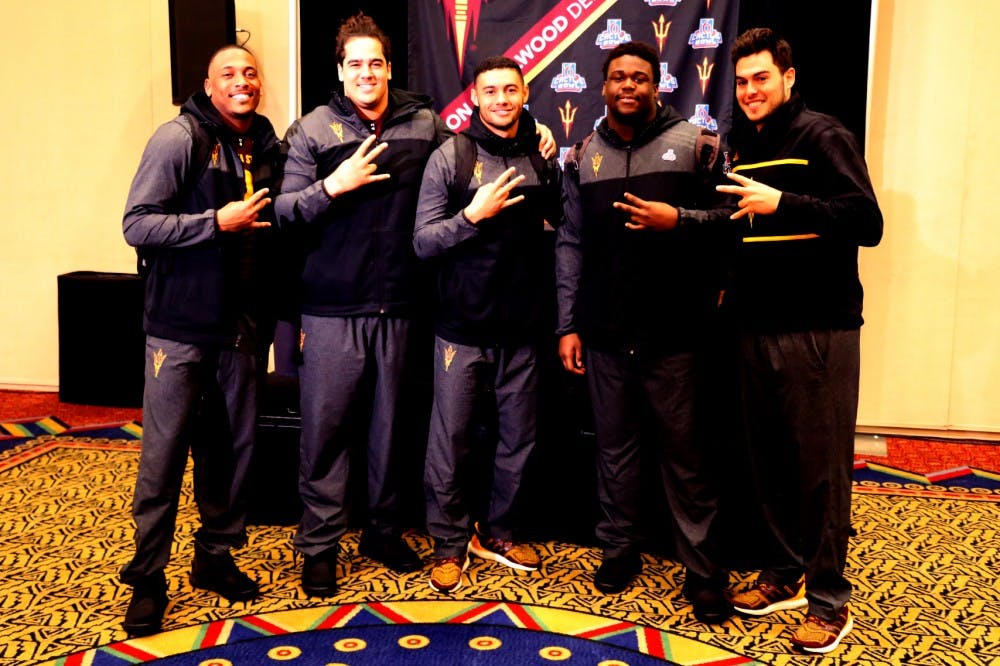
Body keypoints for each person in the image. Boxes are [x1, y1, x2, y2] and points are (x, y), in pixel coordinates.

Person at [274, 14, 555, 597]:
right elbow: (284, 212)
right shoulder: (313, 130)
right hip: (333, 306)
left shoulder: (423, 122)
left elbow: (481, 142)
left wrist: (537, 136)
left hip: (405, 306)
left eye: (375, 62)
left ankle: (381, 531)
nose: (366, 72)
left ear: (389, 67)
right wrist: (333, 185)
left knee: (391, 431)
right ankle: (320, 545)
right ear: (340, 71)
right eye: (355, 63)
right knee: (325, 433)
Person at [716, 28, 883, 654]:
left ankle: (828, 600)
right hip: (754, 329)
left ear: (788, 77)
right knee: (770, 467)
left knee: (820, 473)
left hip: (819, 330)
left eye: (761, 78)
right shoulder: (744, 144)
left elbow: (866, 222)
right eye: (741, 81)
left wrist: (782, 202)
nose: (751, 90)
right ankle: (785, 575)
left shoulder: (823, 135)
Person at [555, 41, 733, 623]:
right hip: (605, 334)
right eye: (617, 78)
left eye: (639, 78)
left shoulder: (698, 145)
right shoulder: (581, 155)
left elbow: (731, 224)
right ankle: (619, 549)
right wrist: (569, 325)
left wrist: (675, 219)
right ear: (601, 88)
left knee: (687, 457)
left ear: (657, 86)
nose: (628, 86)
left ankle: (704, 572)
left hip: (677, 334)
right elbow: (571, 244)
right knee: (614, 451)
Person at [120, 45, 282, 636]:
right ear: (209, 85)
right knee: (162, 461)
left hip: (239, 333)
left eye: (250, 73)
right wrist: (216, 222)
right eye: (229, 74)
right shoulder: (179, 138)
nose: (242, 81)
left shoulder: (265, 145)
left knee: (231, 455)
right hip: (178, 332)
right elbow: (137, 223)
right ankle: (147, 579)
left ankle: (214, 556)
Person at [413, 56, 563, 593]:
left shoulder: (543, 154)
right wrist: (472, 216)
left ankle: (499, 530)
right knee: (449, 441)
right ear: (474, 98)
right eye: (490, 91)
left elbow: (564, 233)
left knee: (518, 440)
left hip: (523, 327)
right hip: (460, 328)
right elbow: (423, 241)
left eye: (510, 90)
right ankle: (448, 544)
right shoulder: (450, 155)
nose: (501, 99)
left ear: (526, 94)